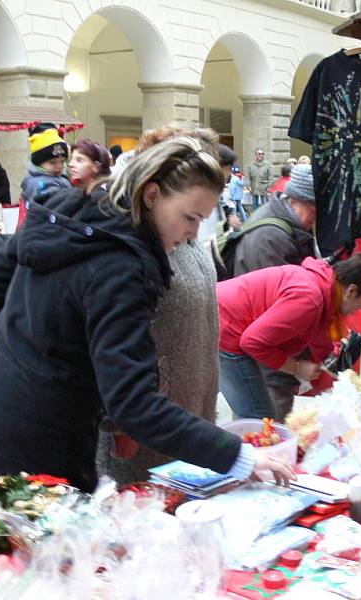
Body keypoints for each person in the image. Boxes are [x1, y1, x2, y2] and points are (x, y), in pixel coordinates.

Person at [0, 136, 295, 492]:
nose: (192, 234)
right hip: (38, 450)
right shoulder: (122, 267)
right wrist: (238, 456)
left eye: (201, 220)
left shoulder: (68, 206)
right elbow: (133, 402)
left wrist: (6, 366)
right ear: (152, 194)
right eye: (189, 217)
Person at [96, 126, 238, 485]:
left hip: (192, 406)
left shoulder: (182, 236)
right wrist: (117, 421)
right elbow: (113, 347)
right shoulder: (132, 254)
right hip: (147, 424)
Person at [217, 254, 361, 419]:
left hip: (225, 318)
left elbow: (318, 332)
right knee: (260, 421)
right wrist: (296, 367)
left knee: (256, 417)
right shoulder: (310, 300)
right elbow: (252, 342)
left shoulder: (325, 287)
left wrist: (331, 366)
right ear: (351, 291)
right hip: (225, 329)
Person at [230, 163, 319, 419]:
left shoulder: (285, 225)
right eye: (312, 212)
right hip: (260, 349)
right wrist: (293, 364)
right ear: (295, 201)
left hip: (262, 343)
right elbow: (277, 313)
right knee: (265, 420)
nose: (314, 221)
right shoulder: (271, 237)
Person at [18, 123, 71, 224]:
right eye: (52, 162)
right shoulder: (38, 184)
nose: (59, 166)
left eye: (62, 161)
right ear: (39, 163)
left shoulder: (60, 177)